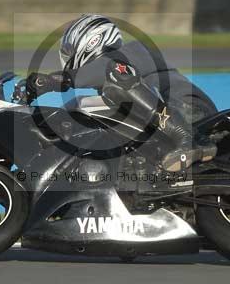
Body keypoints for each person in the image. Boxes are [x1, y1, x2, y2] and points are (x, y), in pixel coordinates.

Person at [24, 14, 217, 172]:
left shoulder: (128, 54)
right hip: (169, 117)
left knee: (116, 79)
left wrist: (51, 81)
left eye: (68, 51)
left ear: (91, 41)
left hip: (190, 111)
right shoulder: (114, 70)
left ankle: (187, 138)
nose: (66, 57)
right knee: (82, 105)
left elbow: (93, 72)